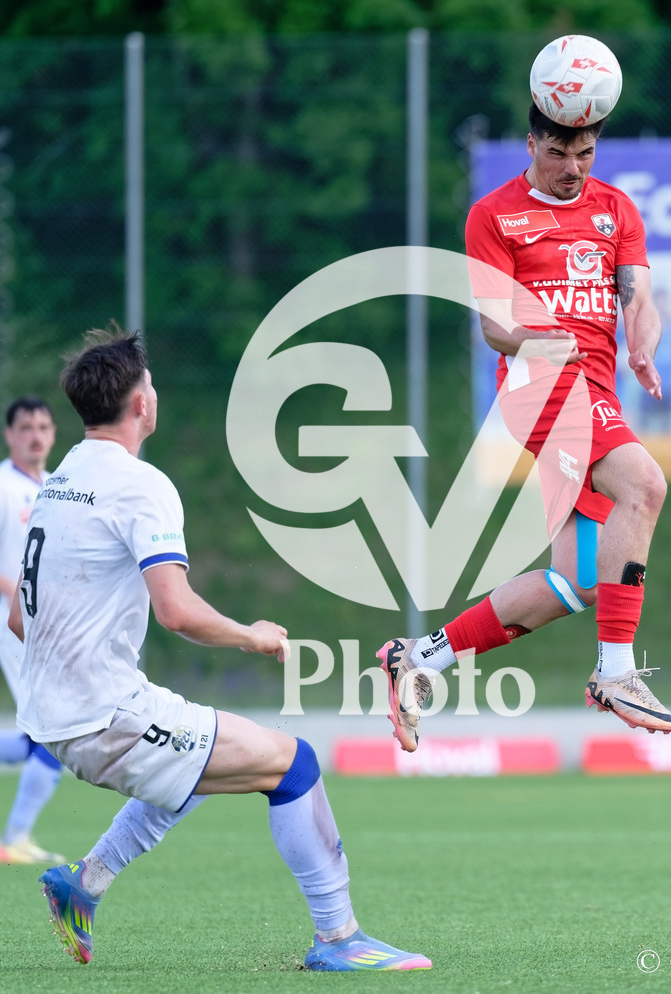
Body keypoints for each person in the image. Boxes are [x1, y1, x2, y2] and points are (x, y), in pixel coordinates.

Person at [9, 327, 431, 972]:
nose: (155, 391)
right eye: (149, 382)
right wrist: (252, 635)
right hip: (102, 717)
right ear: (140, 404)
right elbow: (176, 611)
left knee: (203, 763)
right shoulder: (139, 484)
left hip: (58, 712)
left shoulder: (58, 481)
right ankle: (340, 939)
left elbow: (18, 617)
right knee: (293, 766)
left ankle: (82, 885)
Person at [378, 65, 671, 752]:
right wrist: (535, 338)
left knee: (574, 581)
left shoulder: (616, 209)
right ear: (530, 145)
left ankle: (416, 659)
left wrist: (642, 349)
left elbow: (637, 298)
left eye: (583, 154)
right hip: (539, 390)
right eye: (556, 154)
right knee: (644, 484)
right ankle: (616, 672)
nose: (571, 167)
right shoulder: (493, 216)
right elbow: (491, 326)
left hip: (595, 393)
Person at [0, 396, 64, 864]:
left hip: (41, 621)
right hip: (11, 619)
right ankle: (13, 840)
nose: (36, 435)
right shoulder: (3, 485)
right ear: (10, 435)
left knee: (44, 731)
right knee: (55, 727)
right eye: (26, 427)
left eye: (43, 426)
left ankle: (16, 839)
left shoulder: (57, 486)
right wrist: (16, 592)